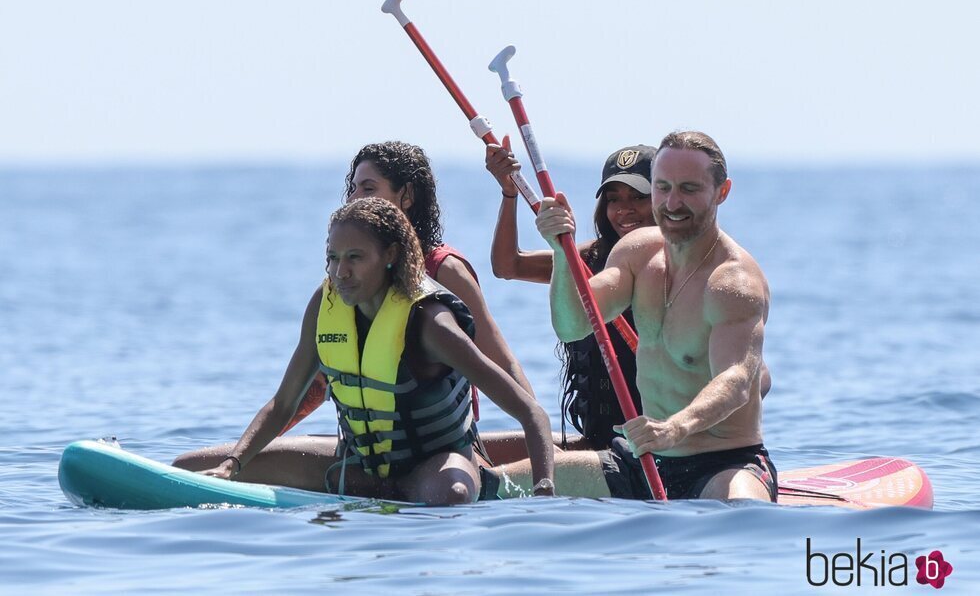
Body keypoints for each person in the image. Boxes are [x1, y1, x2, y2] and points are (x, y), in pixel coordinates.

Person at [176, 141, 540, 473]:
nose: (354, 199)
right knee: (191, 463)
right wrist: (241, 457)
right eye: (353, 189)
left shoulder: (444, 271)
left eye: (368, 189)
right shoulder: (347, 280)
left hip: (439, 451)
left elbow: (499, 359)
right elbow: (326, 381)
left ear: (407, 196)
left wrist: (539, 434)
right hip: (370, 446)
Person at [498, 131, 777, 502]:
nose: (672, 203)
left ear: (721, 192)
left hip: (722, 464)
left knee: (742, 514)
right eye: (662, 188)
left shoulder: (733, 281)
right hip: (639, 461)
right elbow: (573, 324)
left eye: (688, 189)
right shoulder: (637, 252)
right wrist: (561, 252)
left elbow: (738, 379)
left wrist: (674, 428)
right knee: (490, 489)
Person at [482, 137, 658, 458]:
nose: (624, 209)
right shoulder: (585, 260)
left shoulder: (676, 266)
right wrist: (509, 192)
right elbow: (507, 265)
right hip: (597, 444)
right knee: (473, 450)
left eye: (638, 197)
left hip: (646, 451)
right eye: (613, 198)